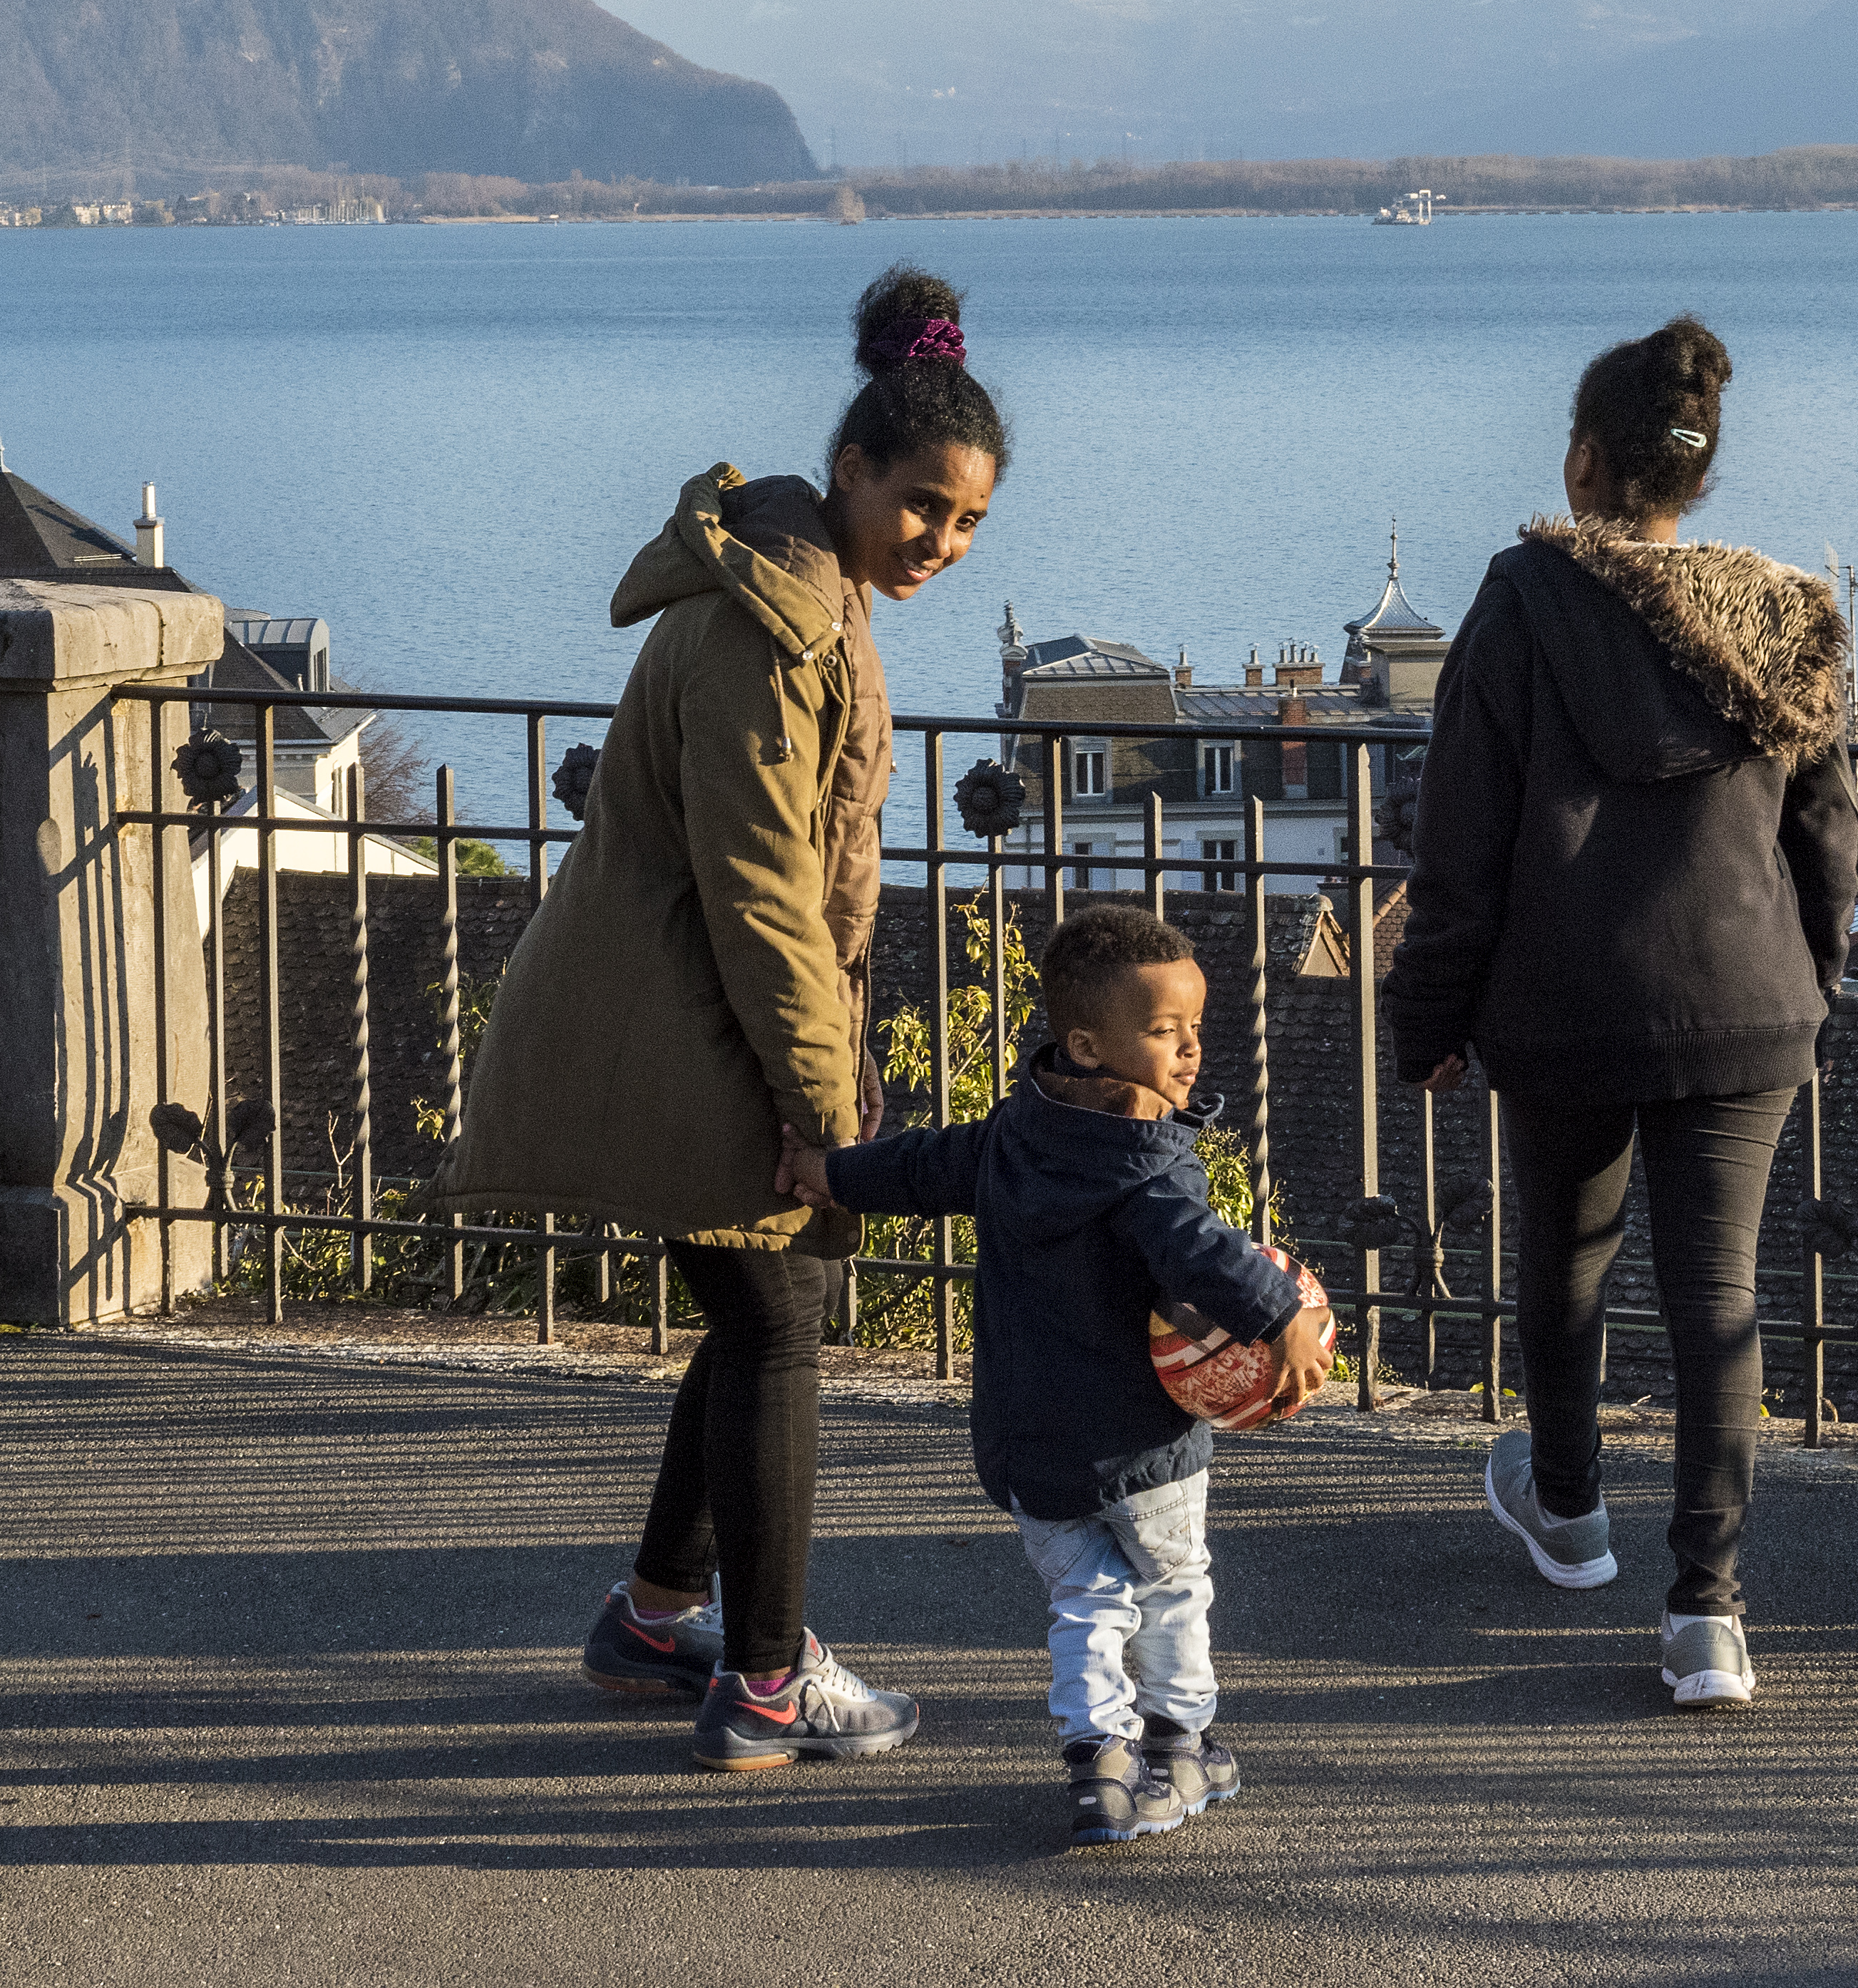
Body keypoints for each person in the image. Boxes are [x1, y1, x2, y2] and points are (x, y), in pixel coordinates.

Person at [442, 264, 1003, 1772]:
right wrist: (826, 1107)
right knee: (779, 1322)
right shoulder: (772, 629)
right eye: (925, 507)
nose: (941, 542)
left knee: (753, 1312)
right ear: (853, 470)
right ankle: (762, 1679)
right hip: (695, 1023)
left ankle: (653, 1617)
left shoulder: (807, 596)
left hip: (691, 1015)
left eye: (969, 523)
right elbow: (764, 892)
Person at [1383, 314, 1858, 1711]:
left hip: (1563, 999)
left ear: (1584, 456)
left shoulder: (1525, 599)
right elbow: (1828, 833)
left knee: (1568, 1263)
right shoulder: (1783, 613)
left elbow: (1457, 839)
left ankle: (1573, 1511)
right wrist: (1812, 978)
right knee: (1719, 1298)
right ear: (1697, 475)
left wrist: (1430, 1016)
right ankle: (1708, 1615)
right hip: (1745, 1001)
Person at [783, 906, 1338, 1846]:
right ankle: (1182, 1742)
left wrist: (830, 1172)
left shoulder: (1011, 1134)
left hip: (1028, 1436)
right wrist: (1279, 1316)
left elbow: (921, 1165)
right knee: (1172, 1587)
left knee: (1085, 1601)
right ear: (1087, 1041)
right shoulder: (1149, 1167)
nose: (1192, 1048)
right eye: (1165, 1032)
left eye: (1195, 1027)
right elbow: (1201, 1253)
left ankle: (1100, 1761)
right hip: (1144, 1445)